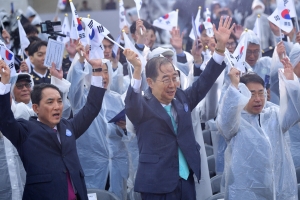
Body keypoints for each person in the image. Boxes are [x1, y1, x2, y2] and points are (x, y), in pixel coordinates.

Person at [124, 16, 234, 199]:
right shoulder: (142, 106)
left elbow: (205, 81)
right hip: (156, 185)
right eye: (165, 79)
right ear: (150, 82)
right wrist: (136, 71)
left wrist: (221, 47)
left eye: (174, 77)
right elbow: (131, 104)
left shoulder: (181, 98)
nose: (172, 84)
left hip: (186, 180)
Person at [0, 52, 106, 199]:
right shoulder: (25, 132)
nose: (57, 107)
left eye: (59, 101)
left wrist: (97, 69)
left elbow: (92, 107)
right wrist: (4, 84)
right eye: (50, 102)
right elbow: (5, 119)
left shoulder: (69, 127)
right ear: (36, 108)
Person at [217, 58, 299, 199]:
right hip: (245, 193)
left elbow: (296, 111)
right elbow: (225, 121)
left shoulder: (274, 115)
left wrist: (291, 82)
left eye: (261, 93)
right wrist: (234, 87)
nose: (257, 99)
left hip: (279, 192)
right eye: (251, 94)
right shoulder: (236, 121)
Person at [67, 44, 136, 199]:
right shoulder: (81, 99)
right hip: (92, 170)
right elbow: (73, 85)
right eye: (98, 72)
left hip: (117, 169)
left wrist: (125, 128)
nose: (103, 77)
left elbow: (126, 136)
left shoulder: (117, 99)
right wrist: (80, 59)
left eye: (106, 71)